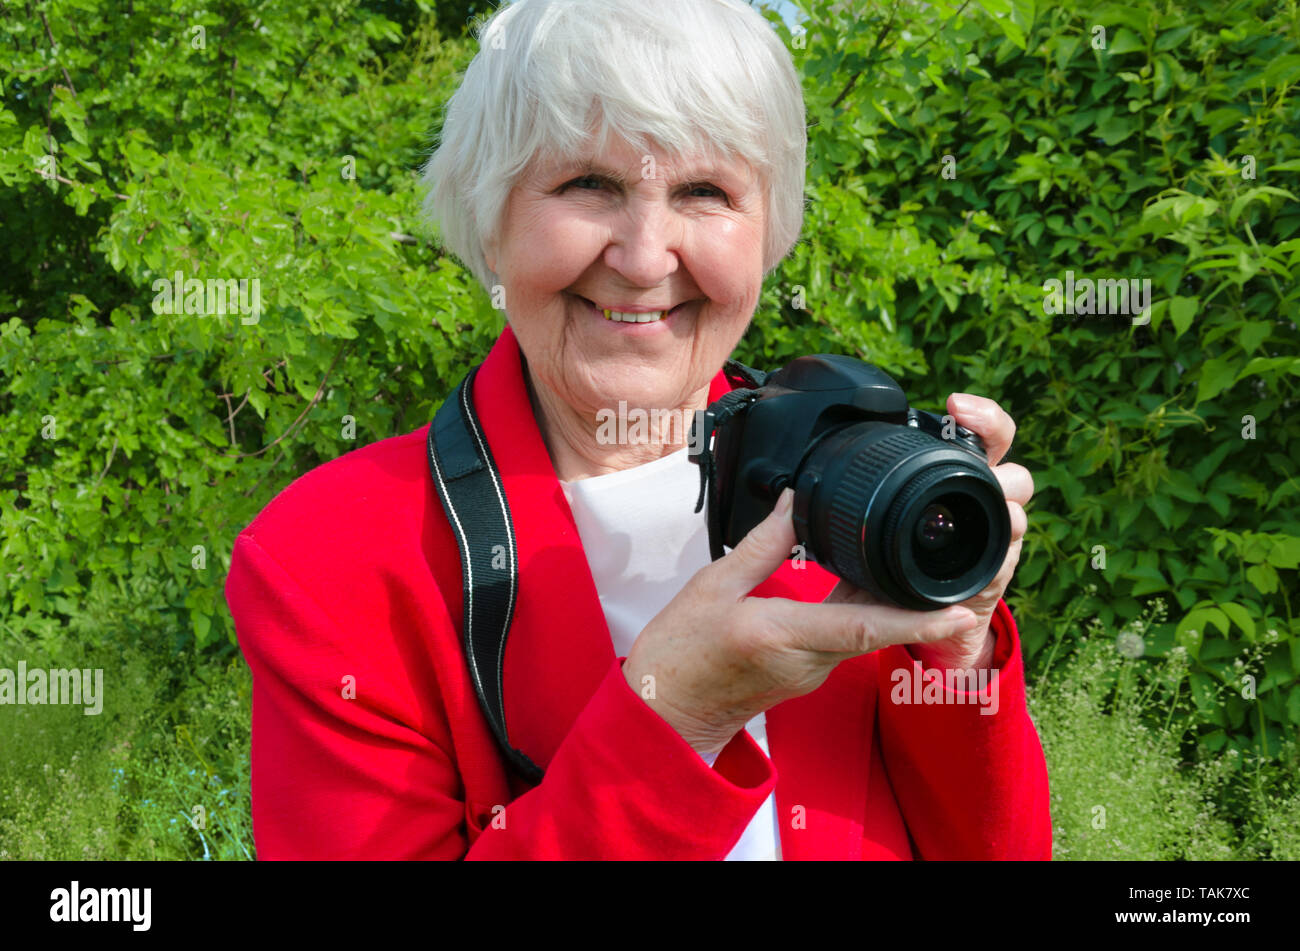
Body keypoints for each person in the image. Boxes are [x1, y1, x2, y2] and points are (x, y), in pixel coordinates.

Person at [224, 0, 1051, 860]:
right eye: (589, 185)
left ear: (770, 230)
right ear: (491, 216)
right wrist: (679, 717)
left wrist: (956, 656)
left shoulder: (850, 485)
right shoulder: (331, 562)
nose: (645, 256)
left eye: (706, 192)